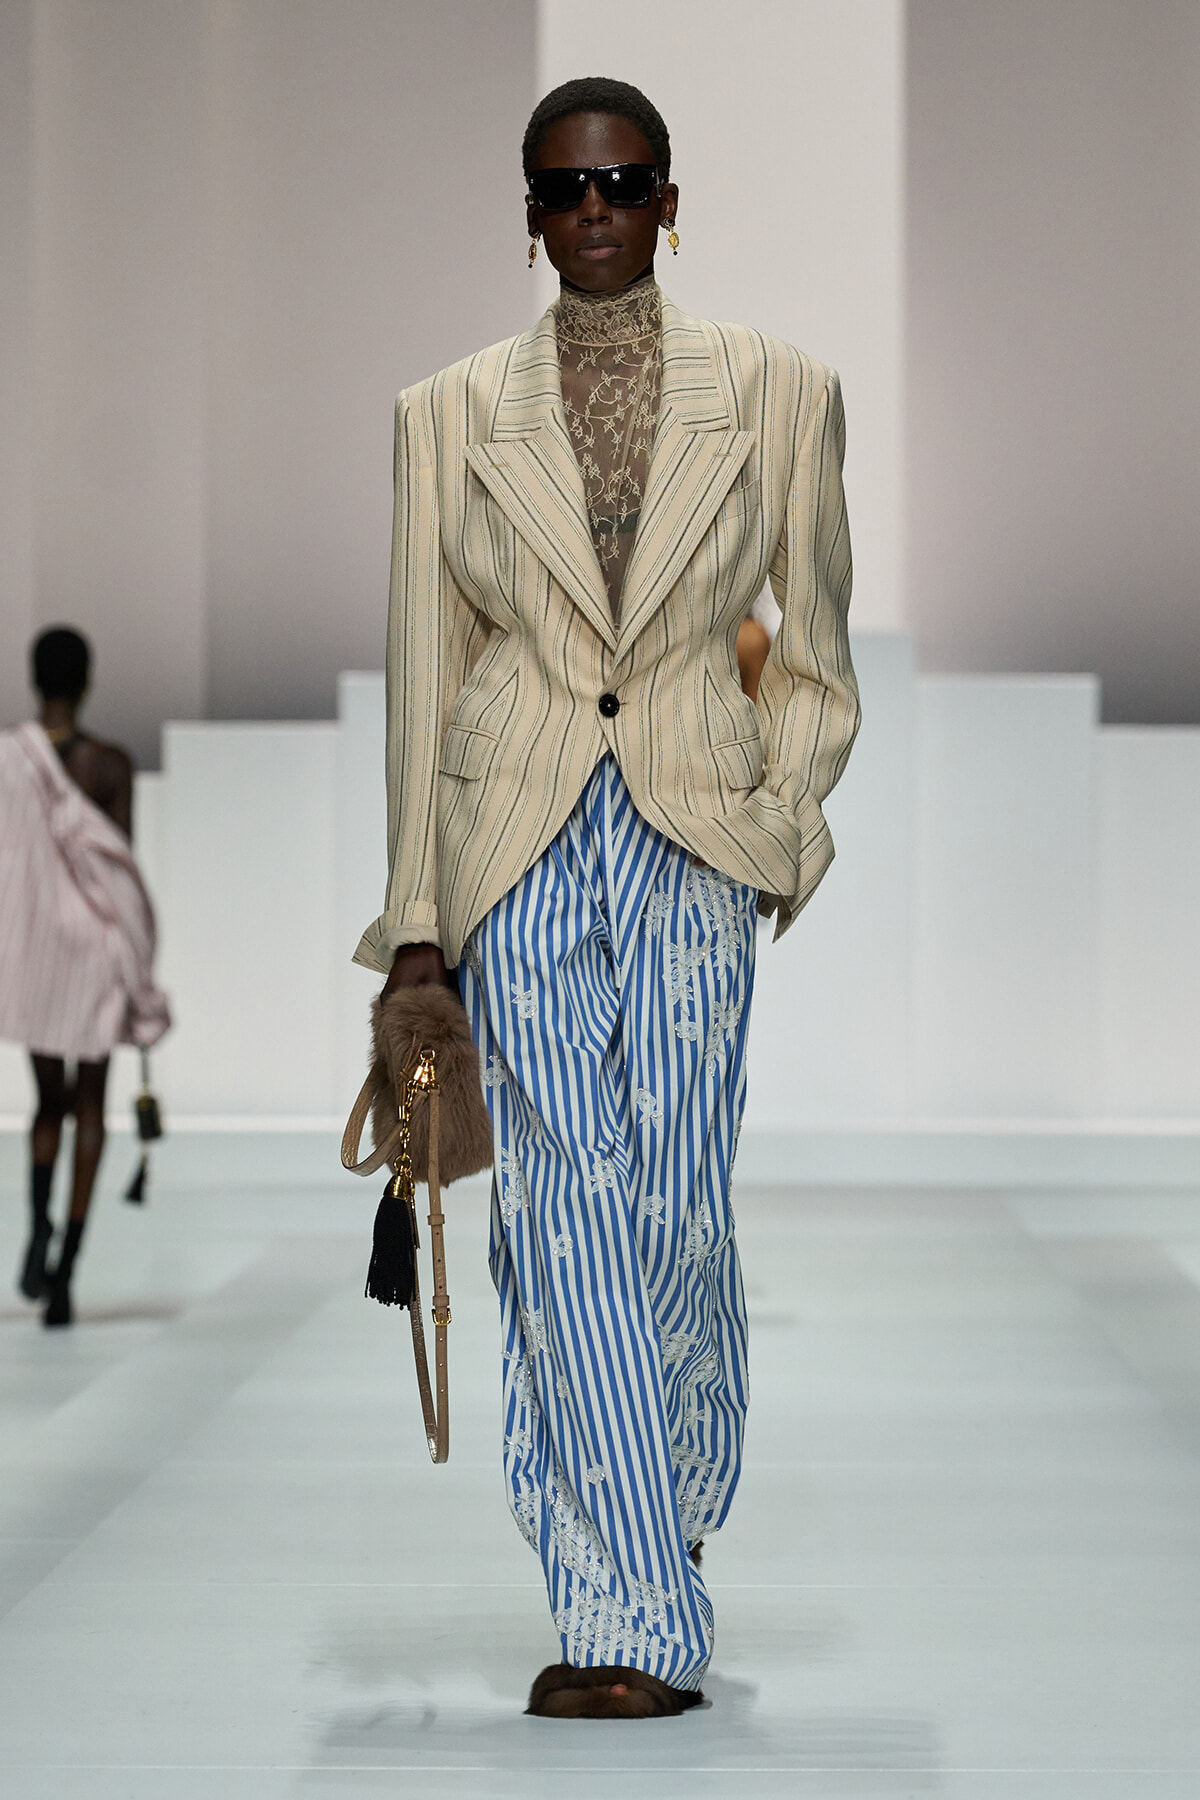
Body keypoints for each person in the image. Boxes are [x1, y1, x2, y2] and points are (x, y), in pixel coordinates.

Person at [354, 77, 859, 1717]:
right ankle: (622, 1609)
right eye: (566, 189)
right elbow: (426, 679)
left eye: (624, 183)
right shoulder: (445, 415)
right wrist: (417, 919)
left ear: (668, 201)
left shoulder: (782, 393)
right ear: (527, 211)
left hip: (697, 830)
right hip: (515, 832)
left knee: (678, 1211)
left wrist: (775, 818)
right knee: (560, 1198)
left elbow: (820, 654)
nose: (595, 212)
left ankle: (668, 1506)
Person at [1, 627, 170, 1327]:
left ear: (36, 679)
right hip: (97, 952)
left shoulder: (9, 762)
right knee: (91, 1106)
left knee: (46, 1104)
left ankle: (37, 1229)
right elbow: (120, 870)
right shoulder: (109, 766)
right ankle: (68, 1268)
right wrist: (139, 966)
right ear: (88, 678)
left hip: (41, 951)